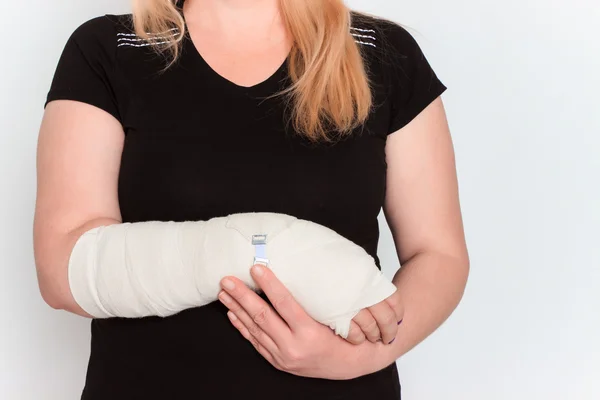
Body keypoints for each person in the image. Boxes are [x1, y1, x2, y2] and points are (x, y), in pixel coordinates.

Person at [33, 0, 469, 398]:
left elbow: (439, 254)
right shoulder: (107, 49)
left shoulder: (383, 52)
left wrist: (358, 358)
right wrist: (253, 247)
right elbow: (62, 269)